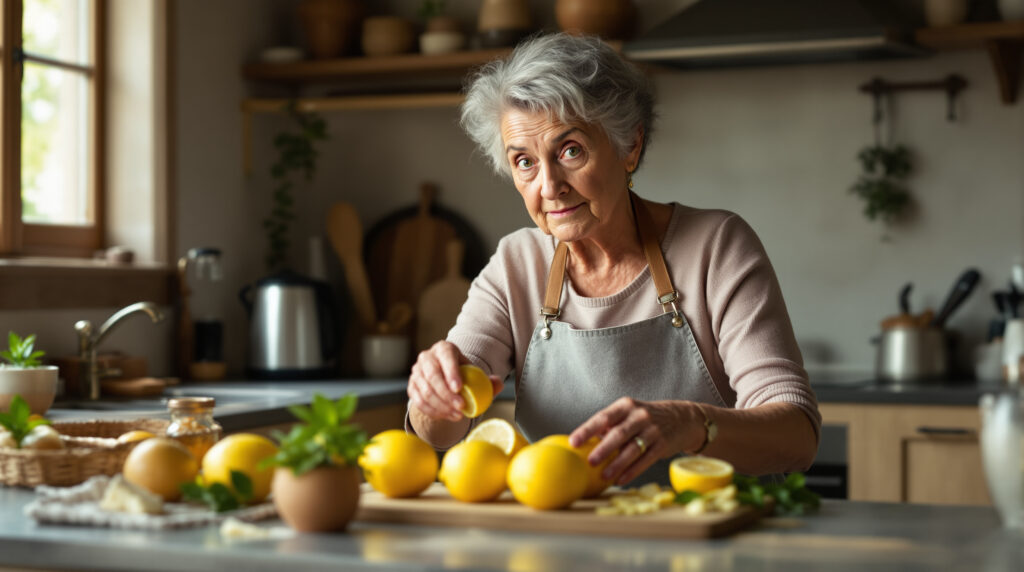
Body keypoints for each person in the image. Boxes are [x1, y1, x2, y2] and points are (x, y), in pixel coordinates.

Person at [407, 33, 820, 486]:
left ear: (630, 146)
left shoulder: (715, 246)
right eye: (524, 162)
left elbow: (797, 437)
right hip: (569, 528)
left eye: (570, 151)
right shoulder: (516, 263)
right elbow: (439, 433)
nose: (549, 187)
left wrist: (690, 424)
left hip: (711, 525)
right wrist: (433, 396)